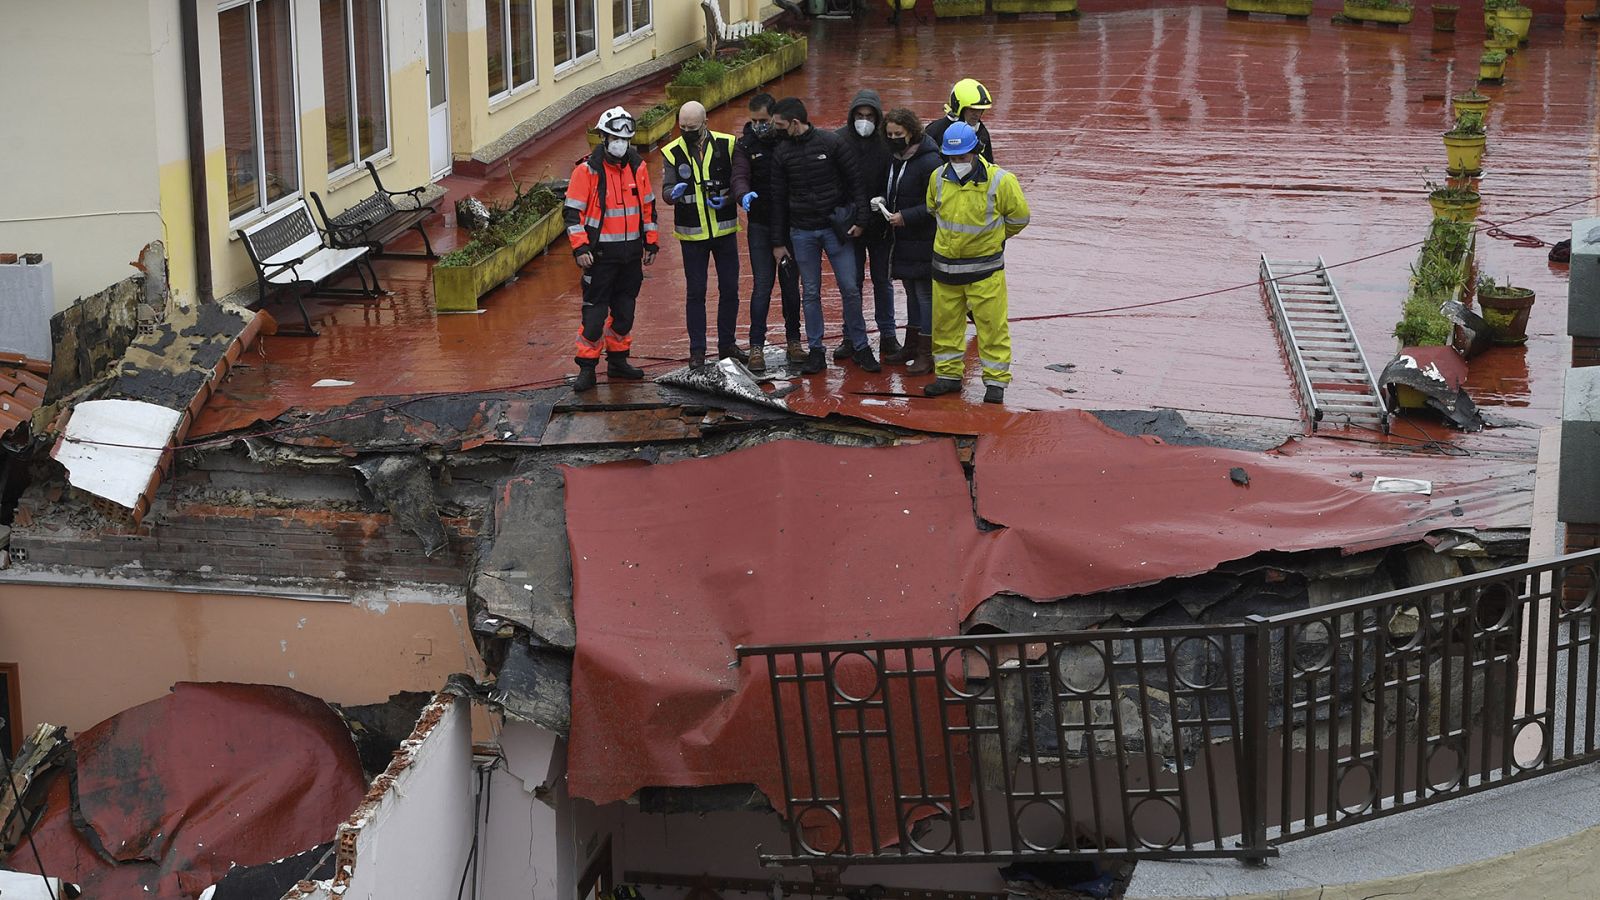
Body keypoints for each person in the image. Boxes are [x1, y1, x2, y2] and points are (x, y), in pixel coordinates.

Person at [768, 97, 876, 376]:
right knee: (810, 292)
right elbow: (777, 199)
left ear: (794, 123)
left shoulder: (831, 144)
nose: (775, 130)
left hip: (833, 229)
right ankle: (816, 350)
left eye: (779, 125)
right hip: (802, 231)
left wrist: (861, 220)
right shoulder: (781, 154)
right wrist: (778, 242)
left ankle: (861, 346)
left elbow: (855, 183)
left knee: (850, 288)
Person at [923, 121, 1029, 405]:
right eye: (952, 157)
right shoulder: (937, 178)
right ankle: (948, 376)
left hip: (984, 272)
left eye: (962, 157)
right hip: (945, 271)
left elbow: (1019, 218)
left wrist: (994, 239)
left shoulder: (1001, 181)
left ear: (975, 151)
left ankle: (995, 381)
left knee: (992, 326)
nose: (957, 162)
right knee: (945, 326)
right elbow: (934, 209)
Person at [563, 106, 658, 392]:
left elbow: (648, 208)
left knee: (625, 312)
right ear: (604, 138)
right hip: (599, 257)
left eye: (625, 139)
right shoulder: (586, 171)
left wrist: (651, 241)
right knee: (594, 316)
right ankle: (587, 368)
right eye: (615, 138)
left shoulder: (638, 167)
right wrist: (580, 248)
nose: (621, 144)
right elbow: (572, 214)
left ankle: (618, 361)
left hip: (630, 256)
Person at [660, 100, 742, 369]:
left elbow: (739, 183)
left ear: (705, 123)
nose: (687, 132)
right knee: (696, 293)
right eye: (682, 127)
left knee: (729, 289)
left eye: (692, 128)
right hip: (692, 234)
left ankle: (727, 345)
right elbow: (666, 190)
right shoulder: (672, 151)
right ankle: (697, 351)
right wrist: (672, 195)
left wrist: (728, 199)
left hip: (724, 229)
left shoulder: (727, 144)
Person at [731, 93, 804, 373]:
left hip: (788, 224)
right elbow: (739, 175)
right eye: (754, 121)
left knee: (790, 285)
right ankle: (756, 346)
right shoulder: (746, 145)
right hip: (760, 224)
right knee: (762, 285)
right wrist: (743, 194)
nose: (758, 125)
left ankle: (794, 340)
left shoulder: (788, 142)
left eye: (763, 120)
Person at [834, 88, 901, 365]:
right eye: (860, 115)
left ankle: (888, 334)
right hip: (851, 225)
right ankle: (850, 335)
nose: (864, 121)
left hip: (881, 225)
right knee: (852, 283)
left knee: (883, 280)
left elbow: (894, 177)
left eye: (870, 116)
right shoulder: (839, 141)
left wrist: (884, 201)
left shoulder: (886, 143)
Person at [881, 108, 942, 374]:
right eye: (890, 134)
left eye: (899, 134)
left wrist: (906, 216)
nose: (893, 139)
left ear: (911, 132)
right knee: (911, 292)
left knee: (925, 295)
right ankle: (912, 345)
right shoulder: (896, 158)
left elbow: (937, 203)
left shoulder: (929, 161)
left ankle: (926, 353)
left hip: (923, 237)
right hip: (904, 238)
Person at [926, 78, 996, 164]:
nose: (977, 114)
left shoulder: (982, 133)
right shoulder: (935, 131)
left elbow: (989, 164)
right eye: (972, 110)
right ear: (958, 107)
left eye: (980, 110)